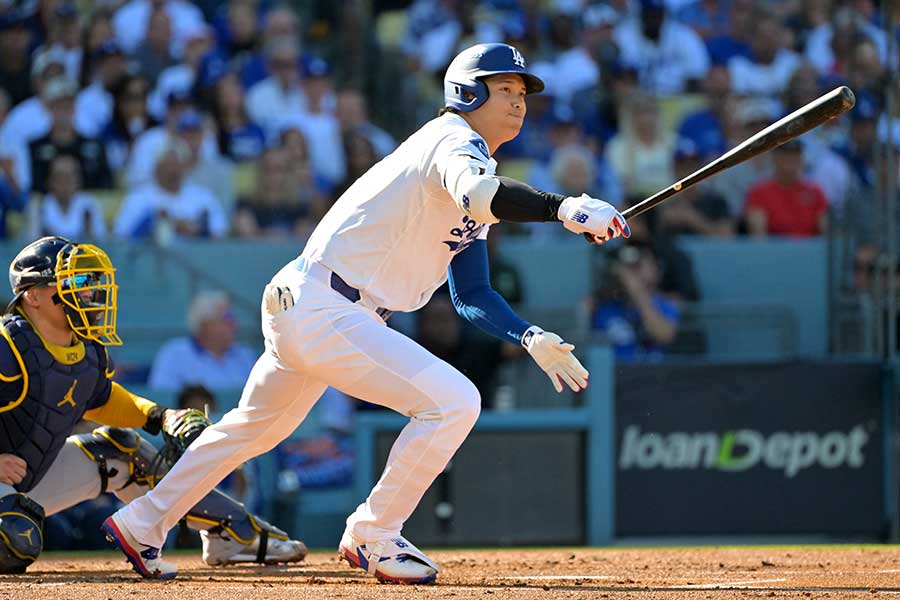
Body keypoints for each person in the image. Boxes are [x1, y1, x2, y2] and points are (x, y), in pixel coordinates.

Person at [104, 43, 629, 584]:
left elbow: (471, 294)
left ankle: (143, 521)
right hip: (330, 305)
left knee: (250, 430)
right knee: (454, 402)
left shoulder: (471, 164)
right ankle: (373, 534)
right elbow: (481, 195)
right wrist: (563, 207)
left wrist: (529, 335)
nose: (518, 102)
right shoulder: (453, 140)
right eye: (504, 89)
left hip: (313, 302)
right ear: (467, 93)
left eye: (522, 92)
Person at [0, 236, 307, 576]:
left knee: (123, 452)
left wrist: (159, 416)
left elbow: (101, 398)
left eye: (87, 280)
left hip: (26, 479)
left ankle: (233, 531)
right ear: (32, 295)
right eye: (72, 281)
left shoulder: (84, 348)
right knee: (12, 538)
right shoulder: (7, 346)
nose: (86, 291)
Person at [148, 291, 257, 391]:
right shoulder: (173, 354)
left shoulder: (246, 355)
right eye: (226, 318)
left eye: (233, 318)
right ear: (204, 324)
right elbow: (163, 397)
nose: (234, 324)